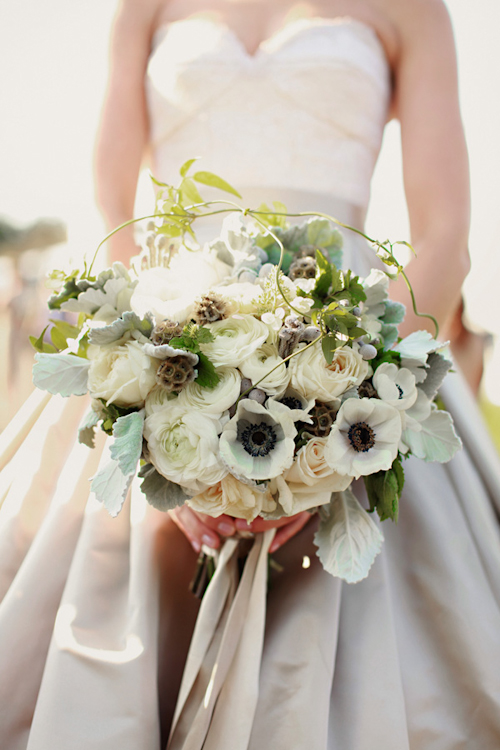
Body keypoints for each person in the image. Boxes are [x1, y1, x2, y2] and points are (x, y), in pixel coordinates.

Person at [1, 0, 499, 747]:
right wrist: (151, 399)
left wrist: (340, 419)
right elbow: (112, 212)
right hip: (170, 337)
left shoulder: (414, 11)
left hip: (352, 344)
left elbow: (444, 237)